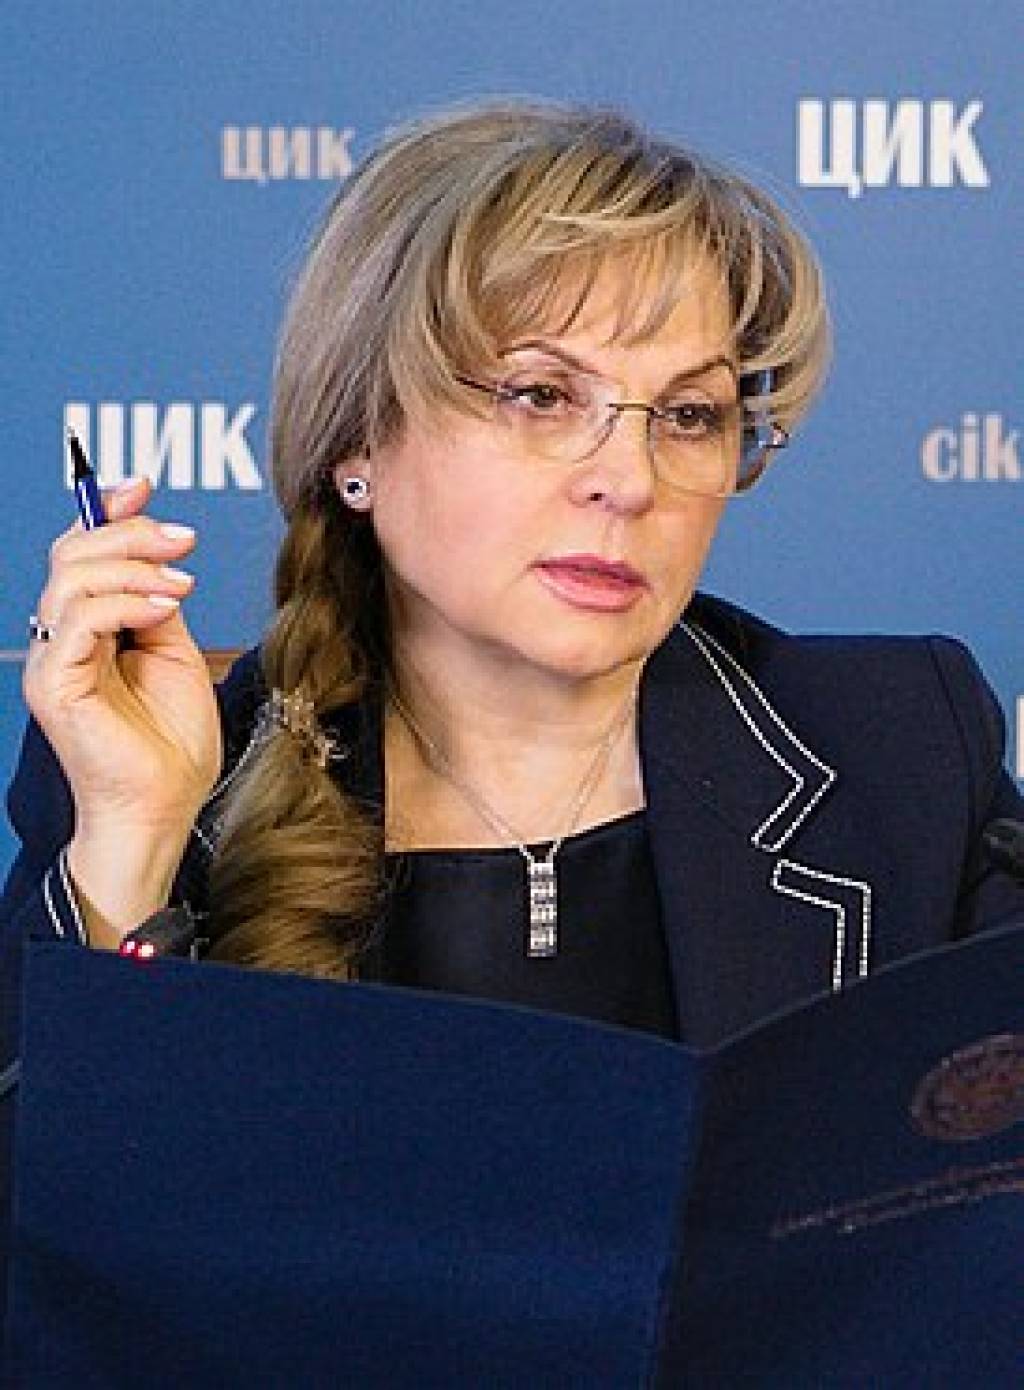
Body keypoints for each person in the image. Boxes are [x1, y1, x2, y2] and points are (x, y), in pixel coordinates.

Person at [3, 100, 1022, 1072]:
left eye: (689, 415)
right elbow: (55, 1183)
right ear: (358, 440)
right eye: (541, 395)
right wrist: (133, 843)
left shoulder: (904, 752)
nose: (630, 482)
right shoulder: (161, 782)